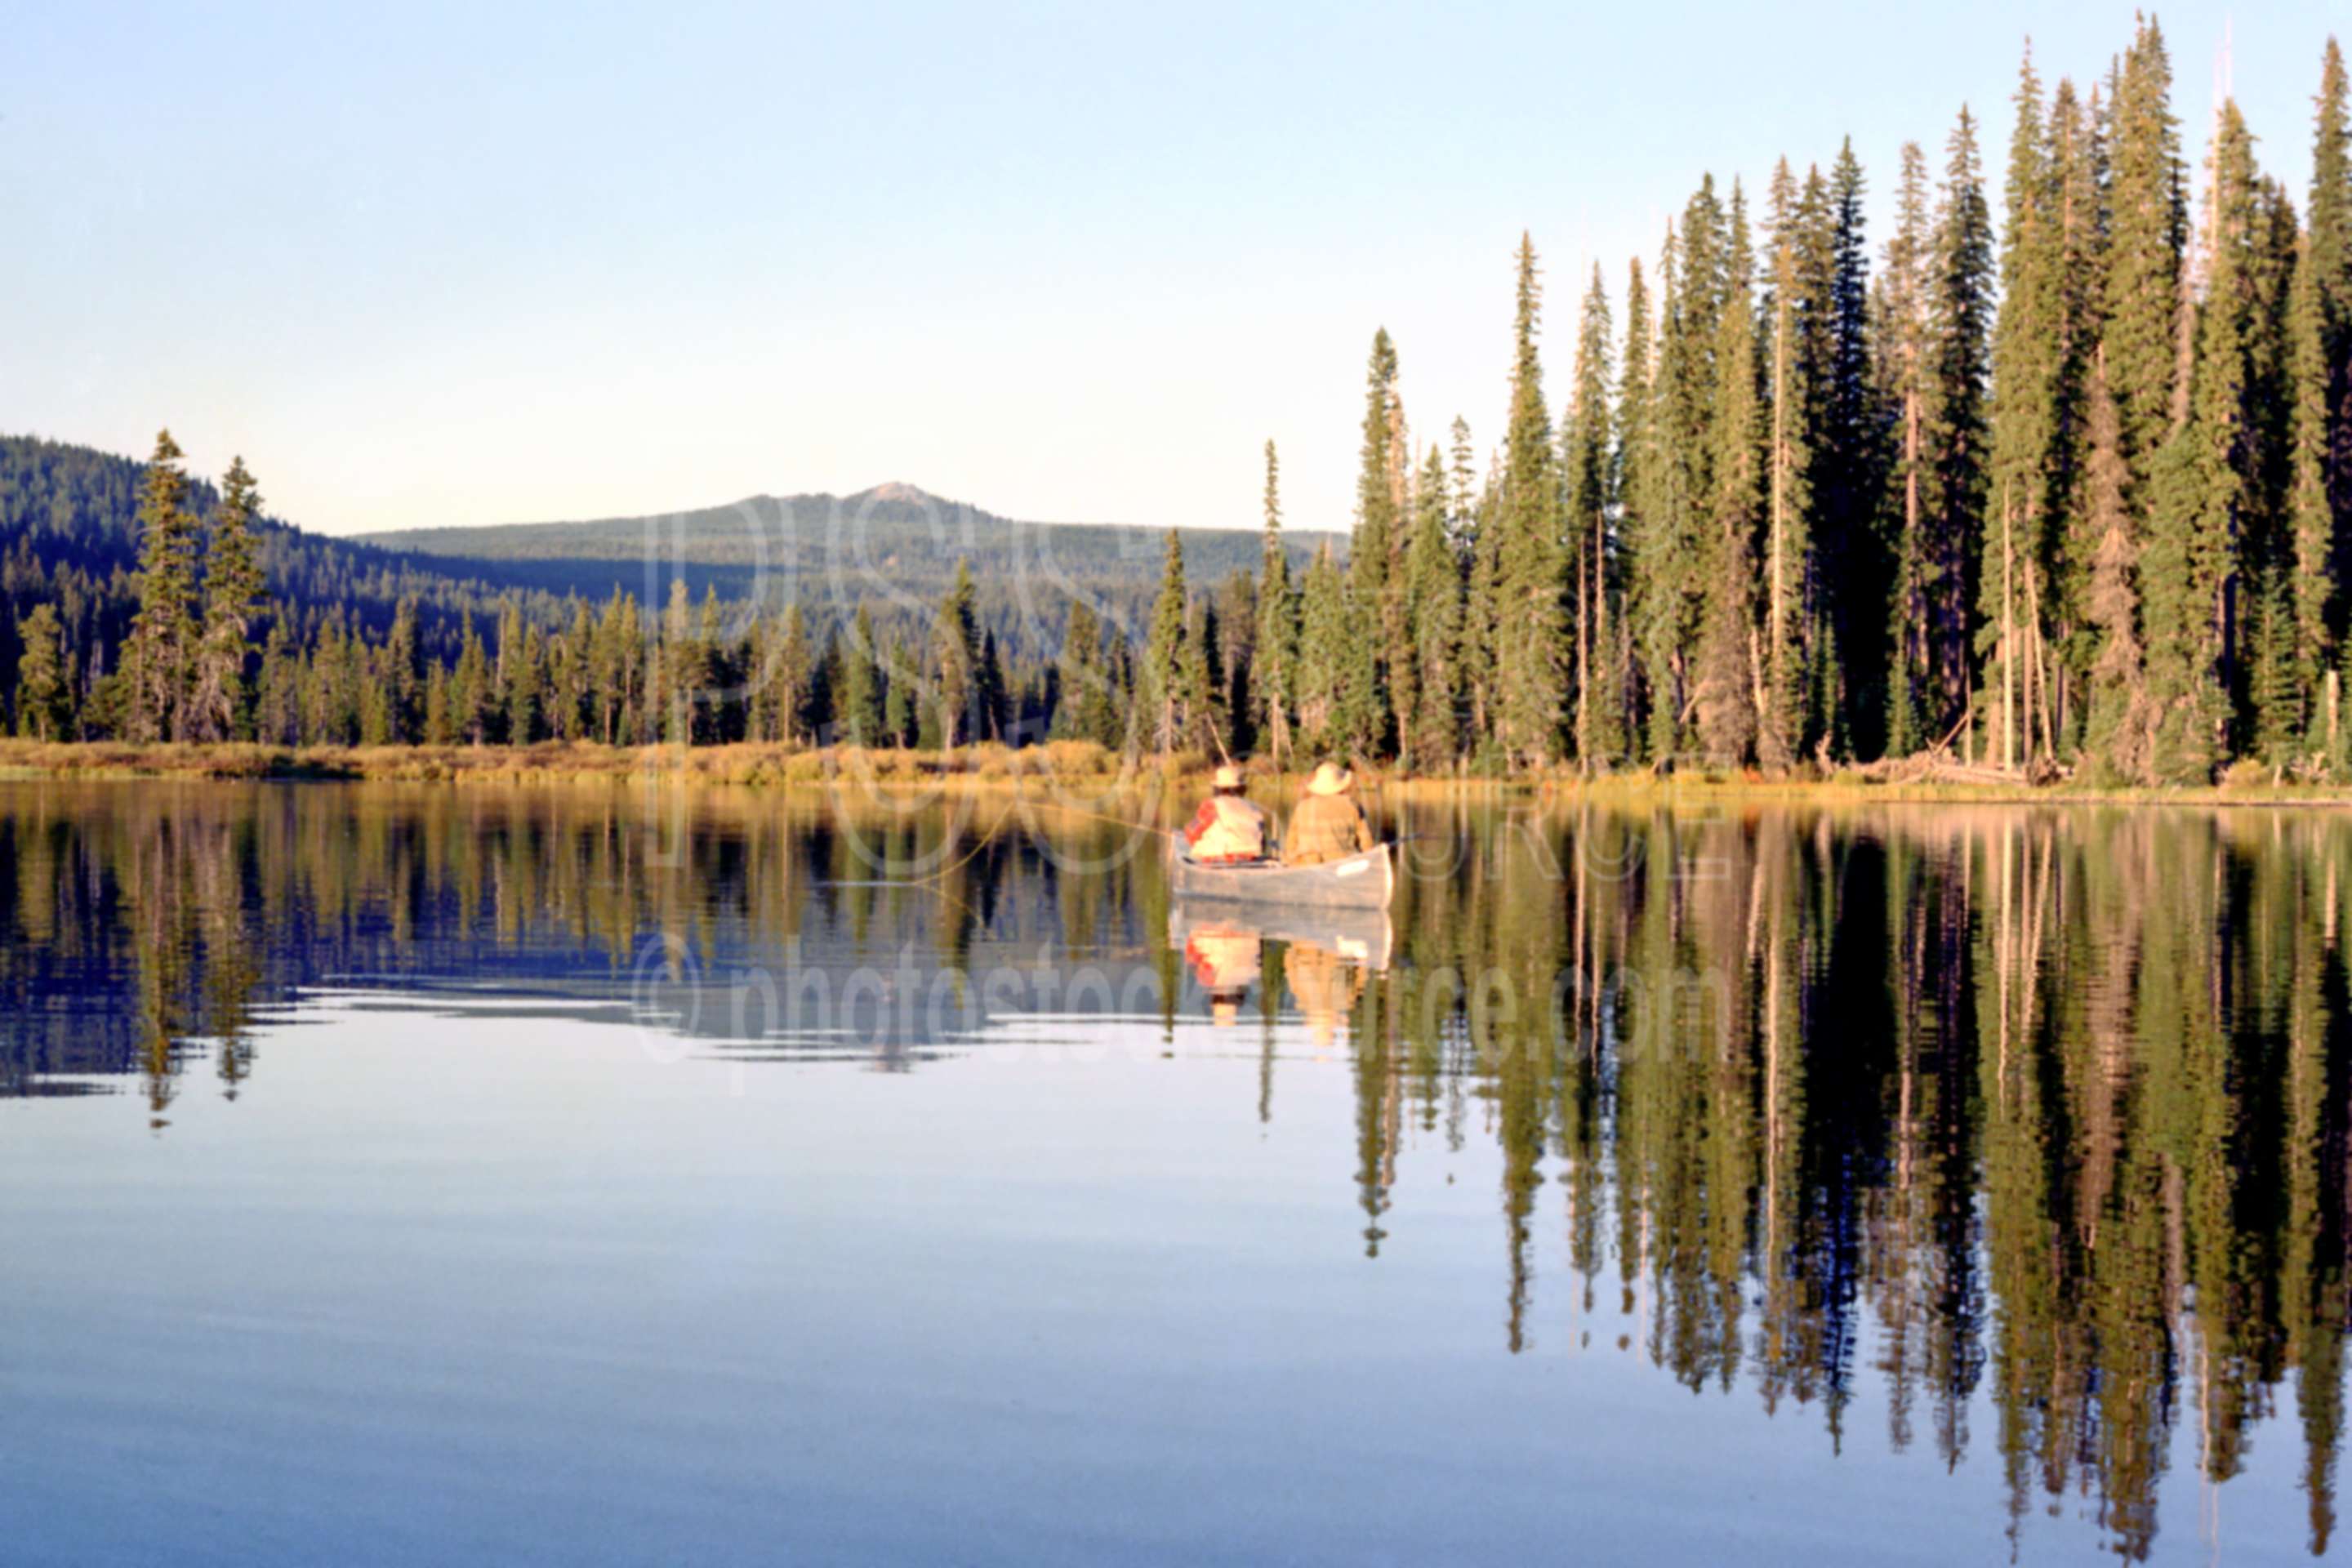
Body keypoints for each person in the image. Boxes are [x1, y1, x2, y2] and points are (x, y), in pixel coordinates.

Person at [1283, 760, 1374, 866]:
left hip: (1306, 866)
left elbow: (1290, 845)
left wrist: (1290, 860)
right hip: (1341, 865)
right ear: (1342, 785)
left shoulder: (1302, 807)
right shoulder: (1352, 806)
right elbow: (1367, 845)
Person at [1181, 763, 1269, 863]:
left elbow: (1191, 835)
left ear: (1218, 788)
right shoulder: (1254, 808)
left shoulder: (1212, 805)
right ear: (1242, 789)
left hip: (1219, 860)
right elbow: (1262, 843)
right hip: (1251, 860)